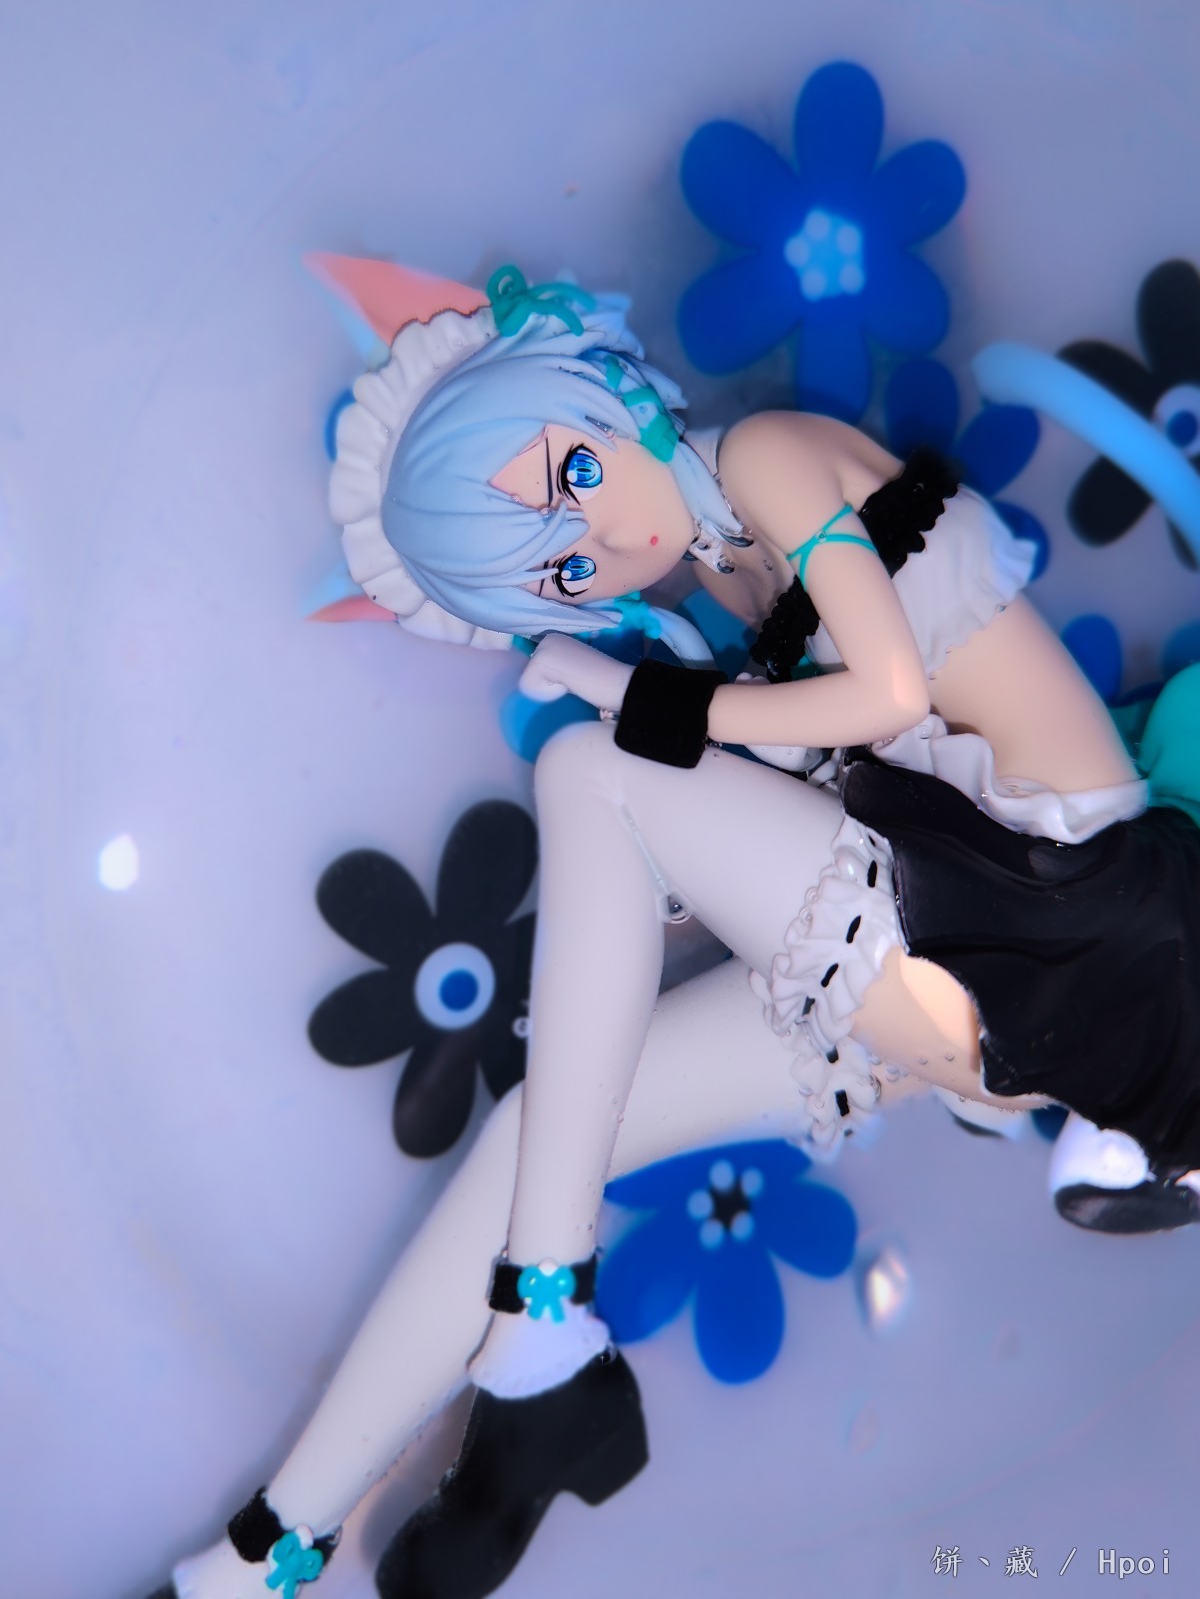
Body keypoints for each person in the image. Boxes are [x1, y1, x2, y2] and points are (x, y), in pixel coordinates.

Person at [154, 258, 1200, 1599]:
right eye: (561, 568)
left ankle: (543, 1337)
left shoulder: (766, 456)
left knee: (587, 768)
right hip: (954, 956)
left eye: (575, 474)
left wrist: (636, 703)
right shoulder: (724, 595)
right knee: (547, 1127)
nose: (598, 542)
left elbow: (886, 697)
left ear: (602, 392)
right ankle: (262, 1559)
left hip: (1066, 918)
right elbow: (842, 785)